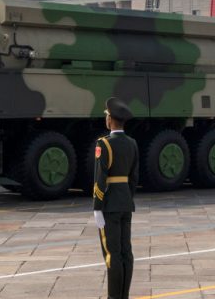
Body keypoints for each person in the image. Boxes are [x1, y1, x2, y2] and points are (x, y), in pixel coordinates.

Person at [93, 97, 139, 298]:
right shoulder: (132, 143)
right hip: (126, 203)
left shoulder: (103, 144)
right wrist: (127, 197)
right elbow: (134, 178)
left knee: (112, 254)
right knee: (126, 253)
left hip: (109, 205)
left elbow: (100, 178)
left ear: (110, 119)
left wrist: (97, 206)